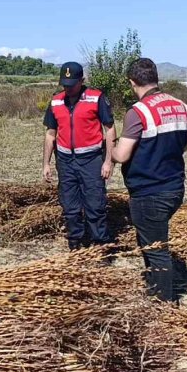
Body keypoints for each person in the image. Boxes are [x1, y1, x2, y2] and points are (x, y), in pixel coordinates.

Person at [111, 58, 187, 302]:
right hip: (174, 188)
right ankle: (154, 286)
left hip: (149, 192)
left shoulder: (138, 112)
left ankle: (162, 304)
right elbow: (183, 146)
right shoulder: (181, 106)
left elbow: (122, 155)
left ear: (132, 82)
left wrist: (109, 148)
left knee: (157, 250)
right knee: (150, 241)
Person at [42, 61, 117, 251]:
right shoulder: (56, 101)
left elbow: (109, 130)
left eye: (72, 84)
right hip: (66, 162)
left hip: (91, 160)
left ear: (82, 80)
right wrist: (46, 164)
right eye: (65, 85)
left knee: (95, 205)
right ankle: (75, 243)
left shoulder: (96, 98)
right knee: (70, 207)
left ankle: (100, 245)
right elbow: (50, 134)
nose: (68, 89)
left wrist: (108, 161)